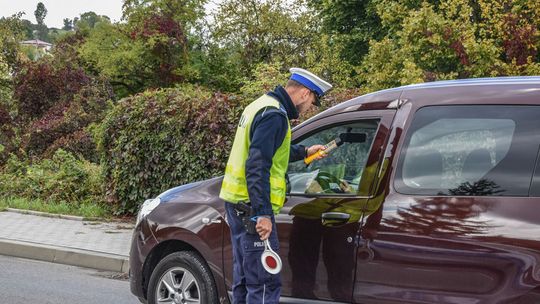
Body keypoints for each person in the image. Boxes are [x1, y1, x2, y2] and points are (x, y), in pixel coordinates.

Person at [219, 67, 332, 304]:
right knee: (263, 283)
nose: (310, 106)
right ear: (304, 93)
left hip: (237, 202)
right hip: (253, 210)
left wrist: (304, 152)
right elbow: (257, 165)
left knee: (245, 277)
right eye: (312, 101)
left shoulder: (260, 105)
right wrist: (262, 214)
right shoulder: (274, 115)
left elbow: (270, 150)